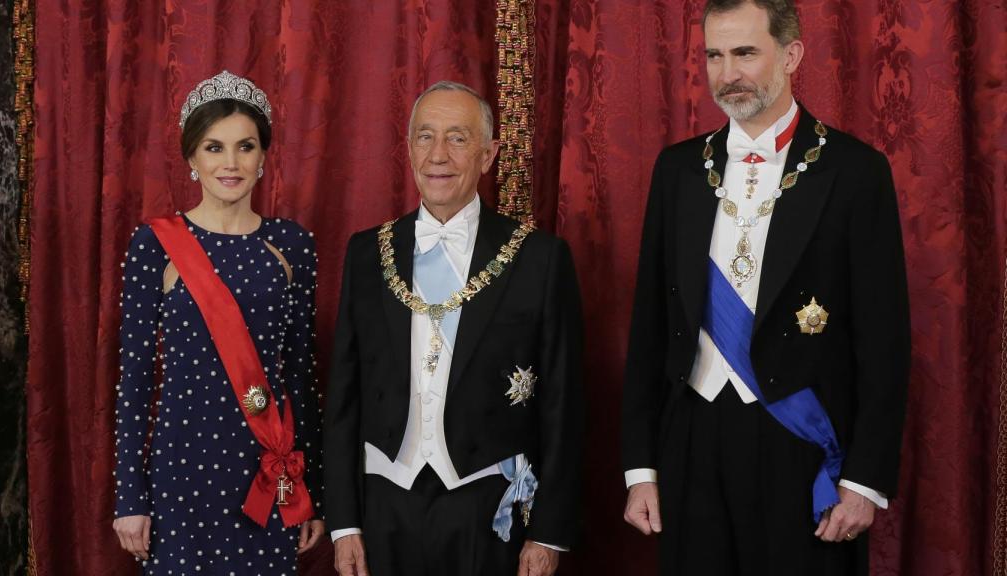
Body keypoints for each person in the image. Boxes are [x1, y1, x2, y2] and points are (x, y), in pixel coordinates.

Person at [620, 1, 910, 574]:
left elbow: (885, 341)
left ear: (792, 54)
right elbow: (650, 325)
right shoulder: (677, 170)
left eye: (746, 53)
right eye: (715, 55)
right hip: (692, 437)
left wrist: (864, 480)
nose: (728, 74)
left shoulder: (854, 171)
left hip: (800, 442)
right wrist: (640, 469)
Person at [323, 81, 583, 576]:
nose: (438, 154)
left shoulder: (540, 259)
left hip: (487, 503)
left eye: (458, 138)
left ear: (488, 155)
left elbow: (563, 405)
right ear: (409, 149)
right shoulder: (366, 253)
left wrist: (549, 530)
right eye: (426, 136)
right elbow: (343, 398)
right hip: (384, 500)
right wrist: (344, 523)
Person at [112, 70, 326, 574]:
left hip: (266, 474)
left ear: (263, 156)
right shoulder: (155, 245)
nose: (230, 163)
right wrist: (129, 496)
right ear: (191, 158)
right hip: (179, 474)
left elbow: (301, 377)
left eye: (245, 147)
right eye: (214, 147)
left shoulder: (292, 244)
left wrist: (314, 485)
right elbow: (135, 380)